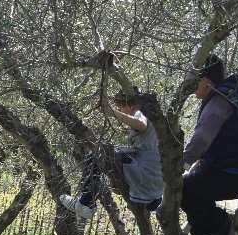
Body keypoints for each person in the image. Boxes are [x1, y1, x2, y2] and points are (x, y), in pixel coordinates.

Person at [182, 54, 238, 235]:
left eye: (194, 83)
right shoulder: (225, 95)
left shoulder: (220, 100)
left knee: (184, 188)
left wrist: (181, 163)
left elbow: (202, 138)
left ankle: (216, 230)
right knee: (194, 185)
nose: (192, 90)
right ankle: (210, 232)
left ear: (205, 81)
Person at [59, 89, 164, 219]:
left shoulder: (139, 113)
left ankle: (85, 204)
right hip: (155, 190)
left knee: (97, 155)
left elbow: (140, 124)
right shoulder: (156, 120)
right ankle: (86, 202)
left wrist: (112, 112)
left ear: (130, 105)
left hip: (145, 177)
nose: (121, 110)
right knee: (107, 155)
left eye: (121, 107)